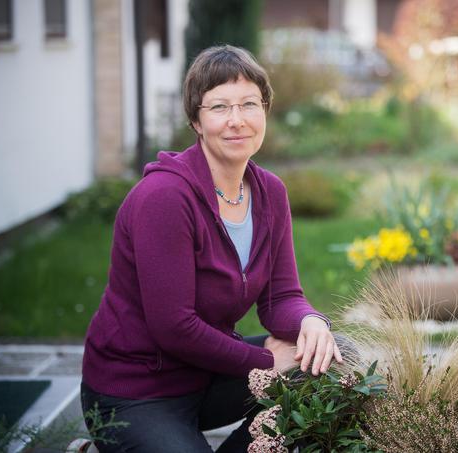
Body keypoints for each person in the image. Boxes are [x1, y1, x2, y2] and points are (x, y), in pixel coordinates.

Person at [80, 45, 343, 452]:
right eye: (219, 107)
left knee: (334, 361)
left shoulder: (270, 192)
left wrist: (311, 322)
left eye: (249, 105)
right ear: (196, 120)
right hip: (138, 392)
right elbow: (174, 327)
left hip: (210, 375)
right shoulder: (165, 197)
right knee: (297, 363)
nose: (237, 121)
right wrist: (266, 363)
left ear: (265, 111)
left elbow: (281, 297)